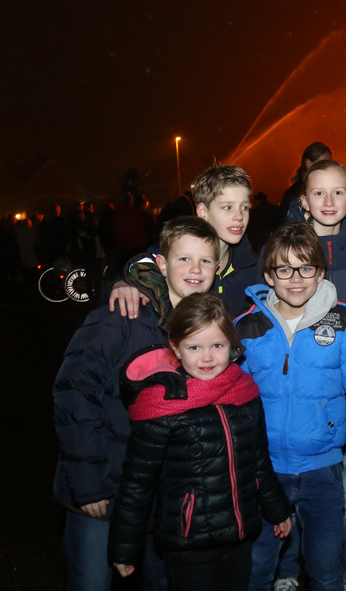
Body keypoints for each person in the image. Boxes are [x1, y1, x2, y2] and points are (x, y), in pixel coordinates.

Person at [52, 216, 221, 591]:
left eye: (205, 261)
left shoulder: (207, 328)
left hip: (163, 498)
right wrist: (89, 484)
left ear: (217, 266)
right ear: (161, 264)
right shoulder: (120, 316)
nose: (195, 270)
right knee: (91, 582)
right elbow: (73, 394)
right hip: (104, 491)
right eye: (184, 259)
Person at [235, 223, 346, 591]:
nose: (295, 279)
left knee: (326, 566)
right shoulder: (247, 327)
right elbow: (234, 402)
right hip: (264, 470)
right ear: (269, 276)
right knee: (258, 568)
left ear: (321, 273)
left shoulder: (344, 323)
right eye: (284, 269)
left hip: (322, 469)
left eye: (305, 268)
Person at [108, 293, 292, 591]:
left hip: (239, 534)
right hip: (188, 542)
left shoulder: (245, 394)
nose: (207, 358)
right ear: (176, 349)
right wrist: (124, 548)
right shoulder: (161, 406)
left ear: (232, 346)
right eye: (194, 347)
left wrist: (278, 509)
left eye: (217, 346)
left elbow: (258, 460)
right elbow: (137, 483)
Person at [110, 165, 259, 319]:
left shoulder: (256, 267)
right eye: (227, 207)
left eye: (244, 207)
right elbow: (126, 283)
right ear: (203, 212)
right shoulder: (167, 255)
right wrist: (121, 285)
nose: (239, 216)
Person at [299, 160, 346, 302]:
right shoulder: (287, 249)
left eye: (338, 192)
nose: (329, 202)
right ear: (305, 202)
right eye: (319, 193)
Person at [281, 142, 332, 225]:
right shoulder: (293, 195)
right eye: (323, 164)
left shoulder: (331, 191)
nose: (328, 168)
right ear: (308, 163)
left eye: (330, 164)